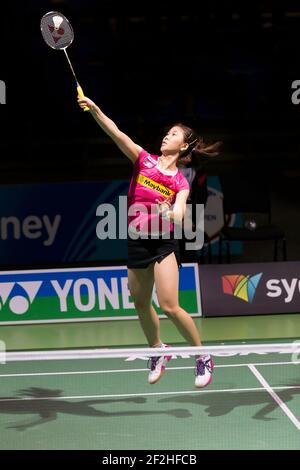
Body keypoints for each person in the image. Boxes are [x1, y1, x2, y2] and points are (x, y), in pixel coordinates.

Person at [78, 95, 218, 388]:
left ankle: (202, 355)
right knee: (140, 302)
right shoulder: (144, 160)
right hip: (137, 240)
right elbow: (116, 133)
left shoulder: (180, 181)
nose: (167, 135)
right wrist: (95, 110)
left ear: (184, 146)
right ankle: (157, 350)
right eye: (168, 132)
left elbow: (180, 212)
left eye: (174, 134)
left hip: (162, 244)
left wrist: (171, 212)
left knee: (169, 305)